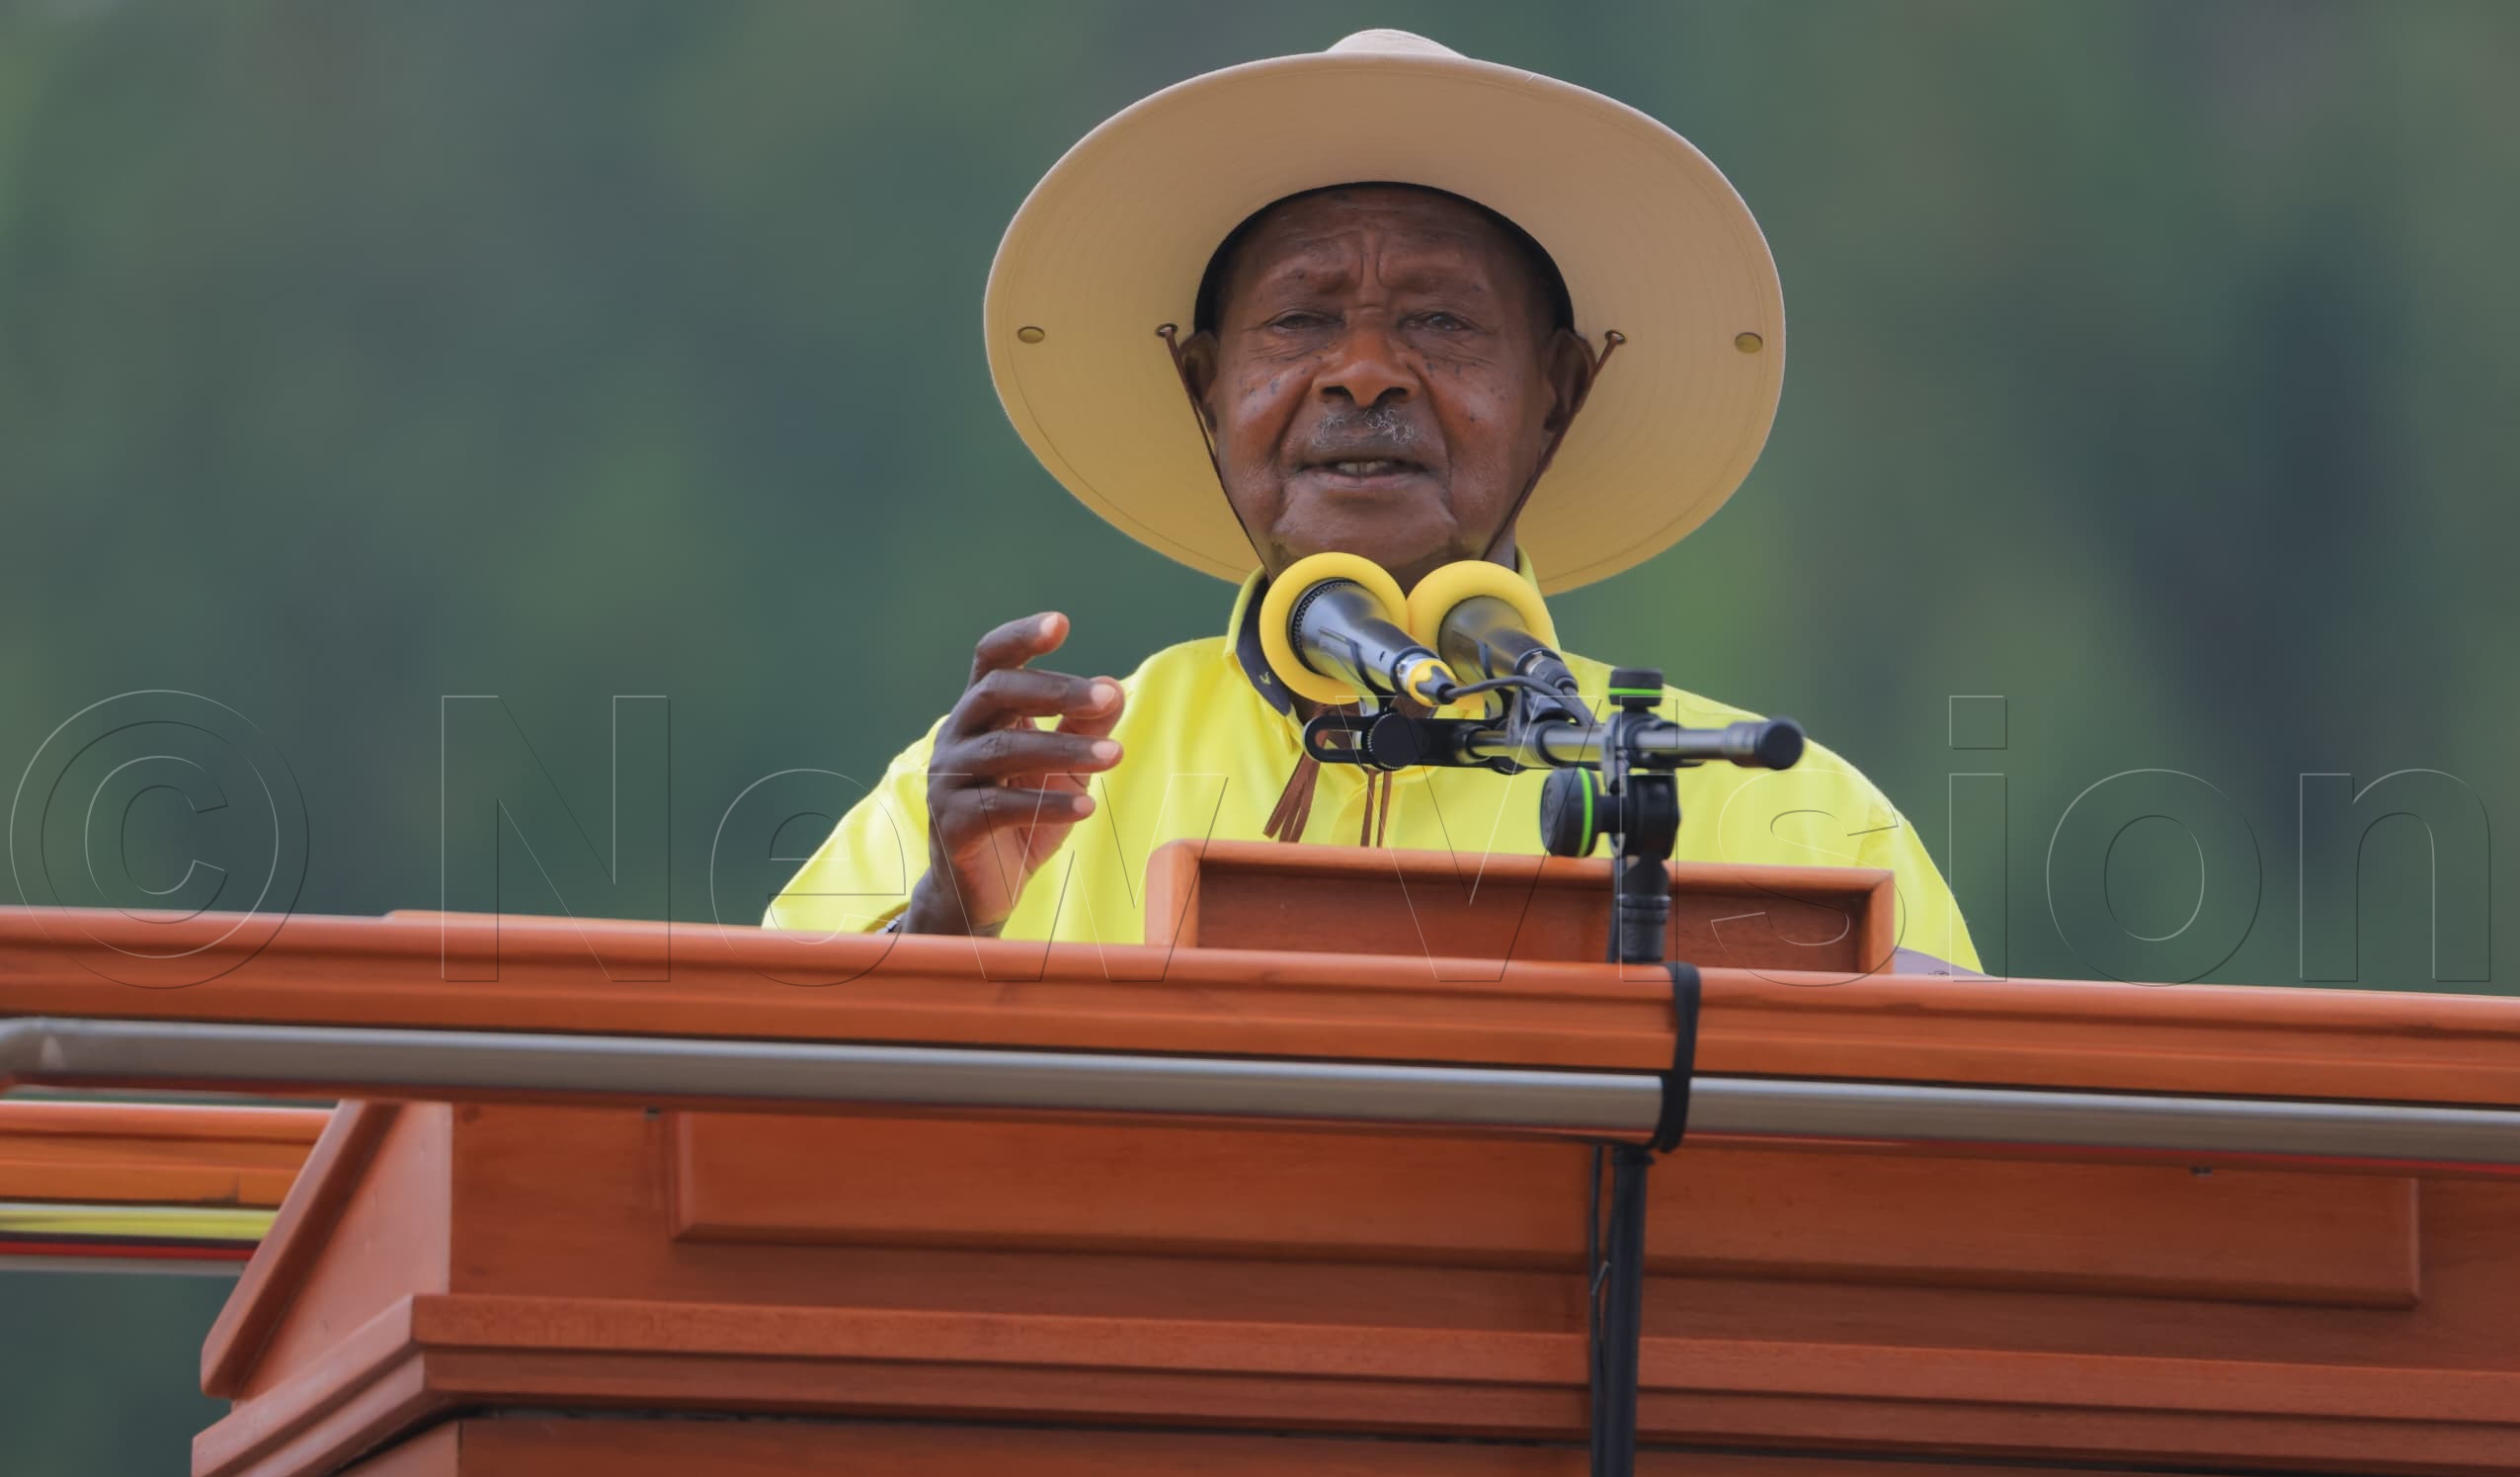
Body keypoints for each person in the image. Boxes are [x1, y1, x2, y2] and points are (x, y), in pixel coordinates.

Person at [767, 30, 1980, 970]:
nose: (1361, 371)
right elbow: (740, 1125)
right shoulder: (1013, 786)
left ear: (1558, 393)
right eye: (1298, 320)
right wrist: (943, 923)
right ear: (1202, 389)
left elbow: (1988, 1167)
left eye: (1438, 322)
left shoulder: (1786, 810)